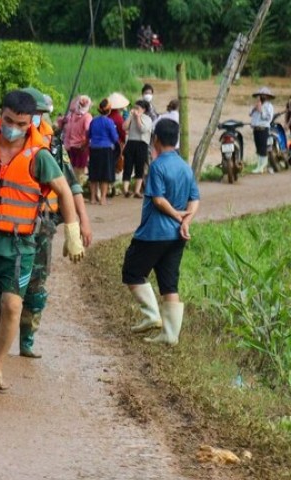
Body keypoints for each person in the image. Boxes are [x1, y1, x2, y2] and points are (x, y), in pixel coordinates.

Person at [0, 90, 85, 391]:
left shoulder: (40, 156)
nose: (14, 128)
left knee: (12, 306)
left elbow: (64, 192)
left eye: (22, 124)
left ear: (30, 124)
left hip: (19, 243)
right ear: (1, 114)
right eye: (9, 120)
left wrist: (72, 234)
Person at [7, 87, 93, 358]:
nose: (37, 120)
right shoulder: (0, 140)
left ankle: (27, 337)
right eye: (35, 114)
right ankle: (4, 328)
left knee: (36, 281)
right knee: (5, 280)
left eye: (40, 115)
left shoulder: (52, 145)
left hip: (41, 223)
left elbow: (71, 186)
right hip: (7, 221)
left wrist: (80, 225)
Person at [122, 119, 199, 346]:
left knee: (132, 272)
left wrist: (176, 215)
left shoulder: (157, 166)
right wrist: (186, 221)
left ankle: (151, 316)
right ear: (175, 140)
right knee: (169, 283)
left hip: (153, 233)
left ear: (155, 139)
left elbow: (157, 199)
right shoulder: (185, 166)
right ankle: (170, 335)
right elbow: (195, 199)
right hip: (177, 236)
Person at [87, 99, 119, 205]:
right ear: (109, 110)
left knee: (94, 174)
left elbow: (88, 135)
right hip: (106, 150)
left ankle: (92, 198)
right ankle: (103, 199)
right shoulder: (109, 122)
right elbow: (115, 137)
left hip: (94, 149)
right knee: (105, 175)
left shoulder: (94, 121)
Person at [122, 100, 154, 198]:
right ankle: (126, 190)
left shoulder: (148, 119)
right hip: (131, 142)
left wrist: (138, 118)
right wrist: (130, 117)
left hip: (142, 144)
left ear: (143, 109)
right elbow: (124, 127)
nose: (135, 109)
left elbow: (142, 129)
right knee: (127, 166)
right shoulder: (131, 117)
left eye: (138, 108)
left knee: (139, 168)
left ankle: (137, 191)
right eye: (135, 107)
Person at [62, 95, 93, 182]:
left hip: (72, 146)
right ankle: (77, 189)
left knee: (73, 167)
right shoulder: (87, 116)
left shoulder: (73, 116)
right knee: (80, 169)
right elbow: (88, 130)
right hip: (82, 146)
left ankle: (72, 186)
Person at [250, 86, 275, 174]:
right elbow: (250, 114)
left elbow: (269, 118)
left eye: (264, 95)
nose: (262, 97)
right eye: (261, 95)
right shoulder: (257, 104)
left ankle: (262, 166)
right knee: (258, 147)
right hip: (256, 128)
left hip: (263, 128)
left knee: (263, 147)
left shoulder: (269, 106)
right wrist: (255, 108)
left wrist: (261, 111)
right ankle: (259, 165)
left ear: (267, 97)